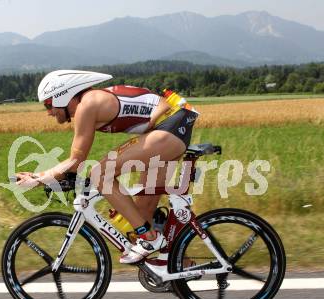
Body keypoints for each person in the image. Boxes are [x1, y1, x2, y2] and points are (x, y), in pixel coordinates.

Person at [16, 70, 199, 264]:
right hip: (174, 125)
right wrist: (44, 176)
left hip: (169, 128)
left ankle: (149, 239)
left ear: (63, 94)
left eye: (48, 104)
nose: (48, 112)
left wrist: (38, 179)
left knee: (100, 173)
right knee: (142, 211)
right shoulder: (91, 100)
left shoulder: (87, 105)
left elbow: (76, 161)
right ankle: (179, 267)